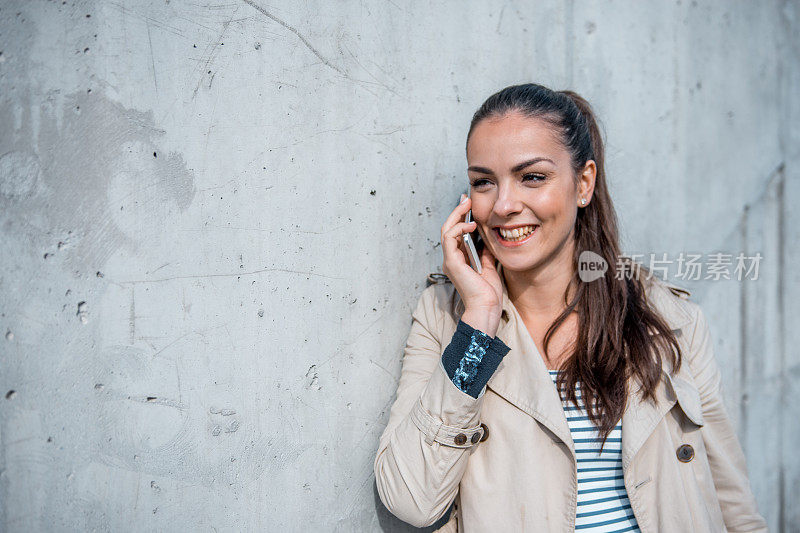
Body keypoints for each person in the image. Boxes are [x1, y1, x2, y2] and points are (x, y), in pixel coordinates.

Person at [373, 83, 767, 532]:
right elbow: (410, 499)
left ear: (583, 184)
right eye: (484, 182)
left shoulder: (667, 318)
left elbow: (731, 500)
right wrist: (479, 323)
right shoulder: (448, 319)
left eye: (533, 177)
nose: (503, 205)